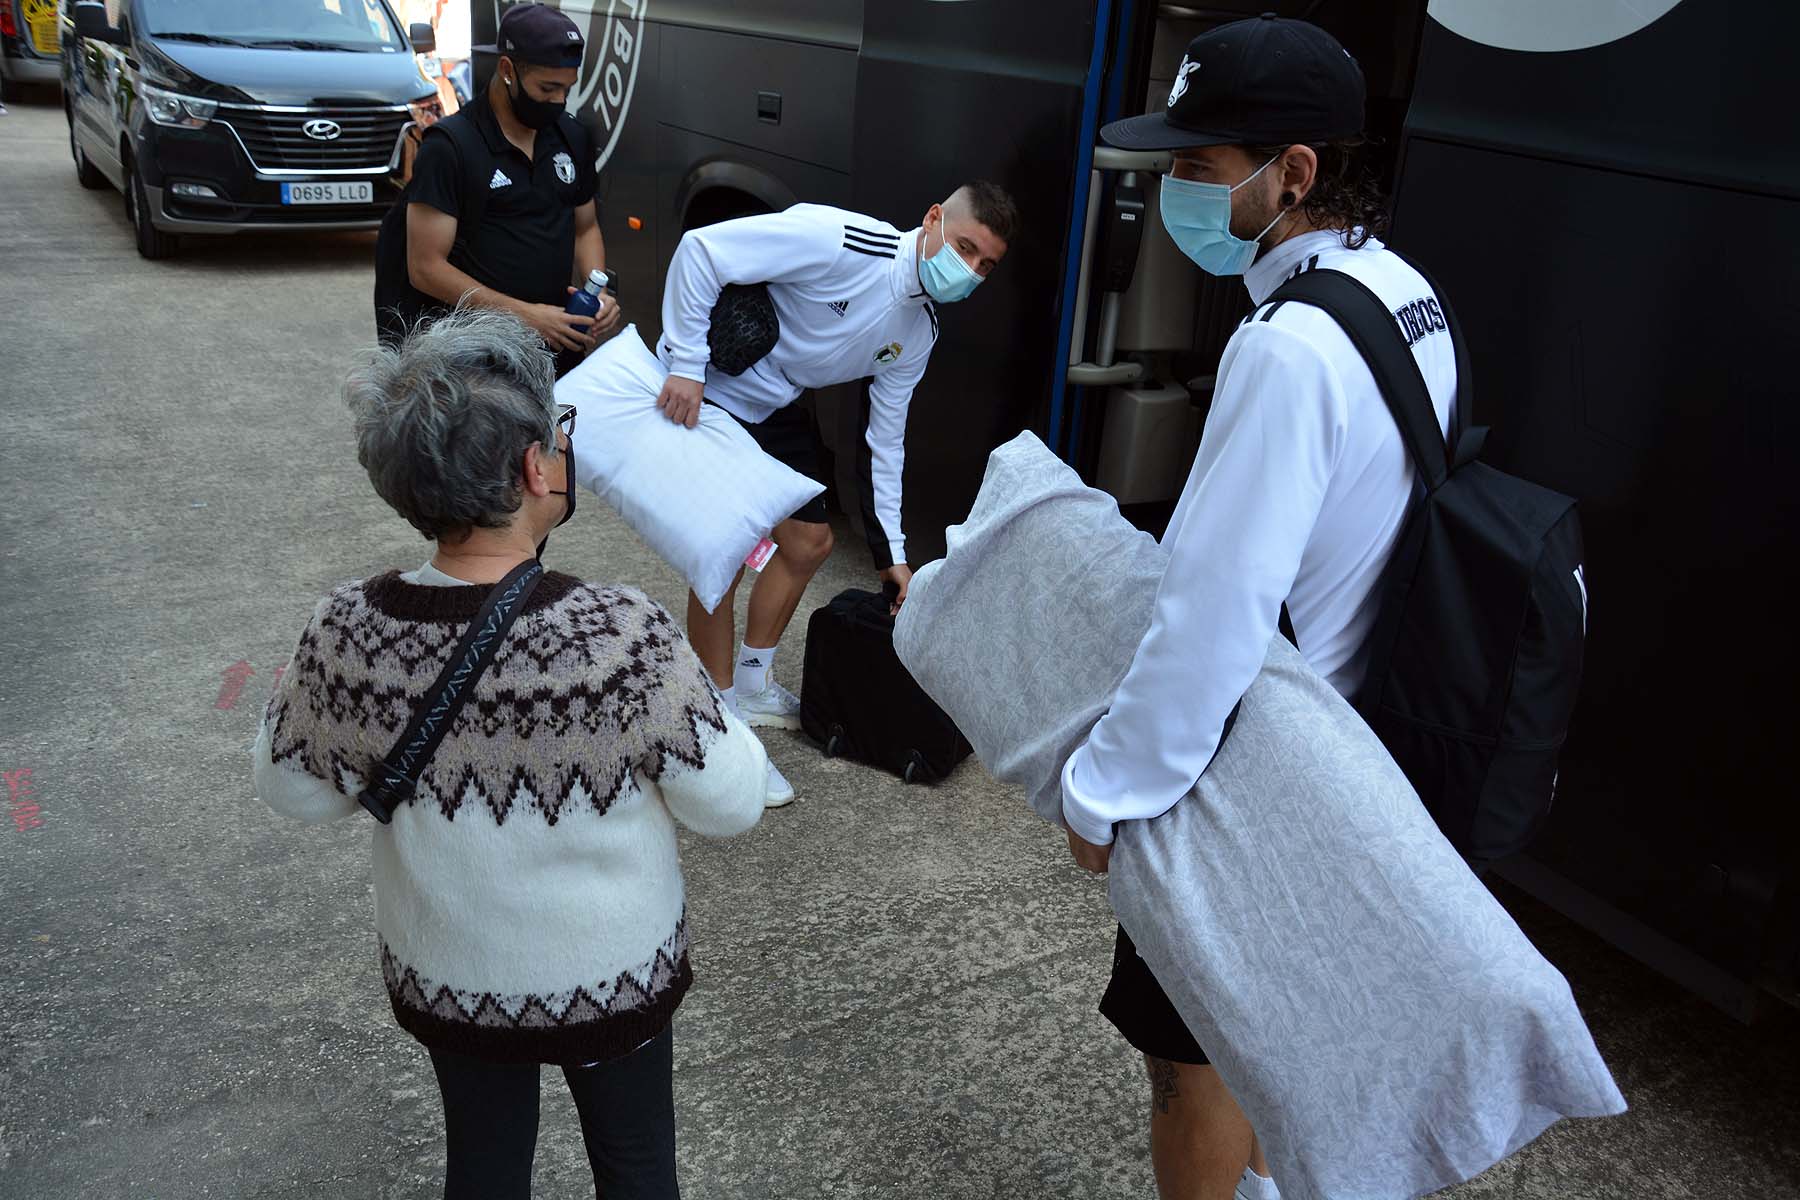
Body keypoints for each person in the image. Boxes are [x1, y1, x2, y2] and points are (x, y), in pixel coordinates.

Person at [1059, 17, 1458, 1200]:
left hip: (1256, 775)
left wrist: (1105, 789)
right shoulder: (1404, 292)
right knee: (1280, 1032)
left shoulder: (1287, 348)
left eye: (1199, 165)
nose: (1177, 188)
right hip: (1353, 743)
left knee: (1188, 1068)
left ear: (1296, 174)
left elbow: (1214, 617)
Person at [253, 309, 768, 1199]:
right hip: (615, 977)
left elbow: (293, 791)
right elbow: (733, 803)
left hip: (451, 974)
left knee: (484, 1170)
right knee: (638, 1169)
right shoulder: (620, 635)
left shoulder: (345, 632)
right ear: (536, 466)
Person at [652, 184, 1019, 806]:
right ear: (932, 219)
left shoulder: (921, 331)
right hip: (715, 387)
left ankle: (750, 686)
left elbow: (885, 441)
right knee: (723, 552)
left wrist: (892, 555)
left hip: (778, 403)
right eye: (964, 248)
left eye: (985, 265)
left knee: (809, 541)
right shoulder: (841, 240)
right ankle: (716, 737)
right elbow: (701, 251)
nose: (970, 271)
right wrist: (685, 363)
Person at [405, 3, 620, 376]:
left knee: (559, 435)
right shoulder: (451, 147)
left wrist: (596, 292)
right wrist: (526, 316)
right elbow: (425, 268)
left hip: (558, 345)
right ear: (507, 70)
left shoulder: (571, 136)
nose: (558, 101)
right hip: (478, 356)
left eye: (567, 89)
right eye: (547, 88)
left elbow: (585, 228)